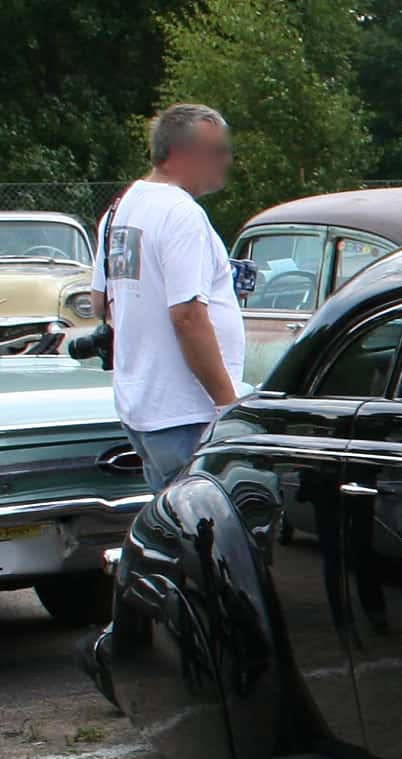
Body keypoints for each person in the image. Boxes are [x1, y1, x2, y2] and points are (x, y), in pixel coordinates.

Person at [88, 103, 244, 493]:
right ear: (181, 153)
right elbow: (188, 317)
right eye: (217, 151)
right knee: (203, 522)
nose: (226, 160)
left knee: (169, 517)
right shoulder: (180, 214)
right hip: (186, 412)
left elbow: (100, 302)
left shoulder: (120, 208)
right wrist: (229, 406)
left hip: (143, 406)